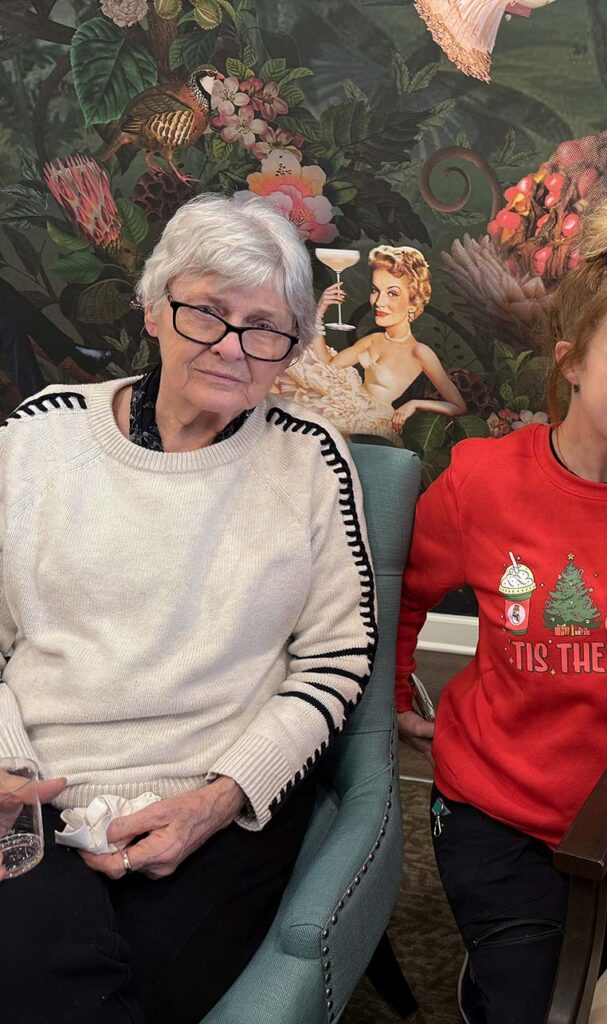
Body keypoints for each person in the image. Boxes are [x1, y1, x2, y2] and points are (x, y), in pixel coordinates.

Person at [0, 193, 377, 1023]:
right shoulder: (39, 436)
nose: (234, 348)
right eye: (206, 312)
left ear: (291, 350)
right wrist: (13, 778)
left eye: (266, 328)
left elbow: (337, 659)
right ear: (153, 307)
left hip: (206, 811)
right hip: (32, 796)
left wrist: (221, 800)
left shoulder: (311, 459)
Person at [395, 190, 607, 1023]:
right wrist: (393, 698)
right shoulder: (482, 479)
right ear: (571, 361)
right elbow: (397, 598)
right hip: (489, 806)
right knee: (528, 1001)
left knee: (595, 992)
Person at [276, 244, 467, 442]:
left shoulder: (420, 352)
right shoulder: (373, 340)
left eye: (392, 293)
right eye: (376, 290)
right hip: (345, 406)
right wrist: (320, 310)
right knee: (297, 369)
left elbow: (458, 406)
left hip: (372, 424)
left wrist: (414, 404)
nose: (379, 302)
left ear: (413, 301)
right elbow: (327, 365)